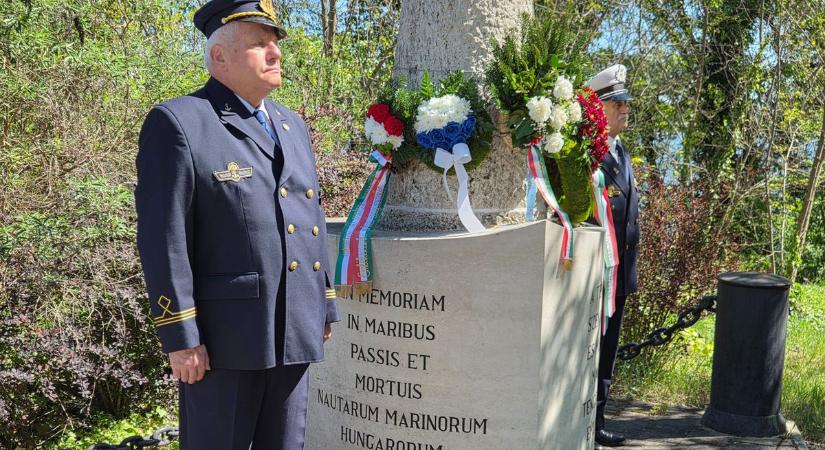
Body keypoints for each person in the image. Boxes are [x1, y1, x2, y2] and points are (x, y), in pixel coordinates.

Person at [134, 0, 339, 448]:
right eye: (259, 44)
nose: (275, 53)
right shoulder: (181, 122)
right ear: (219, 57)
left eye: (275, 44)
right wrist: (180, 335)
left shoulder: (292, 125)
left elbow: (311, 216)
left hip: (293, 331)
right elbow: (164, 238)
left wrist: (322, 303)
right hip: (223, 343)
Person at [586, 63, 639, 448]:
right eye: (617, 103)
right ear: (598, 107)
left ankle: (599, 417)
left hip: (620, 273)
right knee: (590, 348)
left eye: (626, 103)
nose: (624, 109)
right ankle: (587, 419)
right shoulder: (588, 158)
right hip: (595, 274)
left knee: (609, 351)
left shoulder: (622, 153)